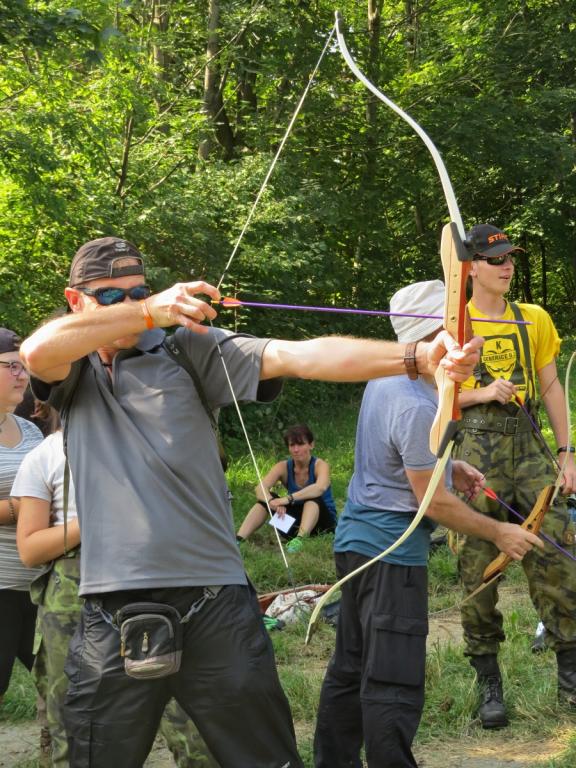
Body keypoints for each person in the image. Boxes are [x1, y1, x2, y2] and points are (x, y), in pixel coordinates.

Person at [20, 236, 484, 768]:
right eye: (110, 296)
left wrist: (418, 357)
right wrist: (148, 310)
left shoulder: (187, 349)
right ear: (75, 300)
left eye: (139, 291)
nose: (128, 303)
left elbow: (297, 355)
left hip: (214, 599)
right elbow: (36, 352)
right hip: (109, 607)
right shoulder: (72, 369)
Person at [312, 280, 542, 768]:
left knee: (351, 667)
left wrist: (449, 466)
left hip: (359, 543)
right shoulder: (415, 402)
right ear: (434, 334)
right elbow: (432, 503)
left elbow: (399, 459)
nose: (468, 338)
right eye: (457, 326)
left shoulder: (391, 378)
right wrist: (500, 532)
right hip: (389, 554)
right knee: (391, 681)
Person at [12, 428, 220, 768]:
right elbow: (30, 549)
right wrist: (95, 519)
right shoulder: (47, 454)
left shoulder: (156, 434)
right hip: (73, 597)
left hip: (157, 583)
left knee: (186, 712)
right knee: (74, 720)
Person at [454, 223, 576, 729]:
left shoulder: (533, 318)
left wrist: (567, 454)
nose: (506, 266)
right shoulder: (452, 320)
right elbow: (432, 396)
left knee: (558, 557)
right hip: (474, 453)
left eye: (509, 257)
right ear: (470, 268)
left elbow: (550, 387)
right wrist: (482, 393)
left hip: (530, 451)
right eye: (495, 259)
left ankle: (571, 676)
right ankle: (489, 682)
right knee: (477, 566)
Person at [0, 328, 44, 706]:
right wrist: (24, 507)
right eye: (11, 366)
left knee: (61, 685)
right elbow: (35, 500)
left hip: (37, 585)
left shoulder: (30, 430)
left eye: (24, 366)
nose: (22, 375)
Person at [236, 423, 337, 553]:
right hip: (293, 526)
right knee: (266, 499)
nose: (296, 449)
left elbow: (320, 488)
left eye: (300, 444)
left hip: (323, 525)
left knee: (313, 498)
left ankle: (300, 541)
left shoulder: (320, 465)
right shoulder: (282, 467)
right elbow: (260, 488)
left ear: (311, 445)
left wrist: (287, 499)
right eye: (292, 445)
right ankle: (238, 540)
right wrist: (272, 503)